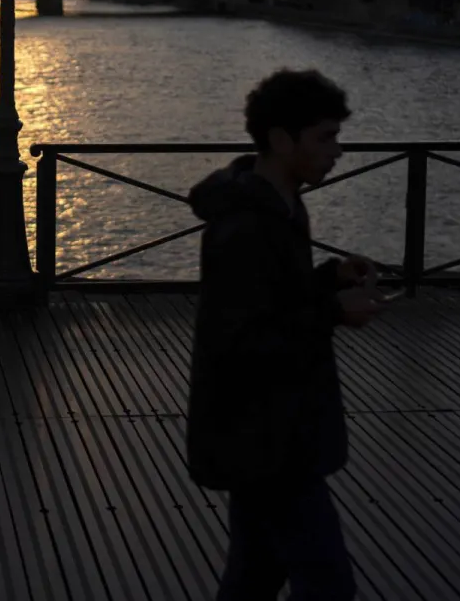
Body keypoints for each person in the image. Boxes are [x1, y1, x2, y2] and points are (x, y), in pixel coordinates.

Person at [186, 68, 384, 600]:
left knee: (254, 575)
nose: (337, 151)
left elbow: (271, 302)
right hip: (268, 440)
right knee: (327, 586)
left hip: (267, 433)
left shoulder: (279, 206)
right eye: (325, 137)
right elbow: (241, 342)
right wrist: (334, 312)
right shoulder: (247, 226)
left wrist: (329, 278)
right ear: (280, 139)